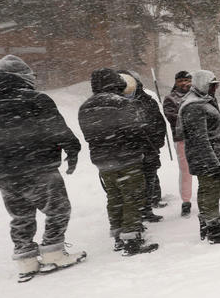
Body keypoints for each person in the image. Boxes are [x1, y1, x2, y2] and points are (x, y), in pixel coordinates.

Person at [0, 55, 86, 282]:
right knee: (57, 209)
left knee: (20, 216)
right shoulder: (36, 99)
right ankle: (53, 252)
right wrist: (73, 148)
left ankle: (25, 260)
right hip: (38, 166)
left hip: (5, 174)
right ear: (23, 77)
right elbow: (57, 129)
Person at [79, 68, 158, 256]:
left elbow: (88, 135)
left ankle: (118, 236)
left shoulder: (85, 107)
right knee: (132, 197)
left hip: (102, 162)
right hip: (127, 159)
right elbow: (137, 131)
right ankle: (132, 239)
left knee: (114, 197)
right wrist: (148, 150)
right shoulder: (121, 104)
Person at [176, 69, 220, 243]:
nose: (215, 88)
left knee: (207, 191)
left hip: (206, 158)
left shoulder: (200, 101)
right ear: (203, 84)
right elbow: (200, 139)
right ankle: (215, 231)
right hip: (206, 159)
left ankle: (207, 225)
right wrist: (213, 162)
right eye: (212, 85)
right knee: (210, 192)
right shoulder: (195, 106)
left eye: (216, 85)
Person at [119, 70, 166, 223]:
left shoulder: (147, 100)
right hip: (128, 152)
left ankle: (146, 209)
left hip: (149, 148)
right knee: (132, 185)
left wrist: (157, 141)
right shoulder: (116, 103)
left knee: (149, 179)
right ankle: (134, 214)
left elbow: (159, 122)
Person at [163, 71, 193, 217]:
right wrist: (192, 118)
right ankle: (186, 201)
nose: (184, 83)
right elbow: (173, 118)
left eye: (187, 80)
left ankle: (206, 196)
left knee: (204, 168)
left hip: (199, 138)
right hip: (181, 139)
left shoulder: (196, 95)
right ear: (176, 82)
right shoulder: (170, 98)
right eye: (180, 80)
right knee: (186, 171)